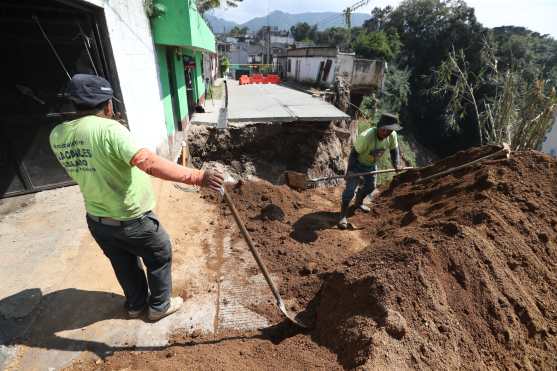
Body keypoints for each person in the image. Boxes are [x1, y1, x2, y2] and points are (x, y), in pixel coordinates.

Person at [49, 74, 224, 321]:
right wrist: (198, 177)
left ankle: (134, 305)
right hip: (132, 219)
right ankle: (159, 306)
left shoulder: (57, 135)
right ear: (108, 104)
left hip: (97, 220)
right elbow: (148, 163)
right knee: (159, 255)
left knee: (123, 264)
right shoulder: (110, 130)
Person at [338, 113, 402, 229]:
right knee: (350, 190)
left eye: (390, 131)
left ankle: (358, 202)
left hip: (371, 165)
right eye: (385, 130)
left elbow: (394, 150)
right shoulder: (366, 137)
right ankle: (343, 215)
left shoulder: (392, 135)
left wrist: (396, 163)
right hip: (357, 164)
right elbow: (354, 154)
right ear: (380, 127)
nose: (387, 133)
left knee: (371, 186)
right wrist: (351, 171)